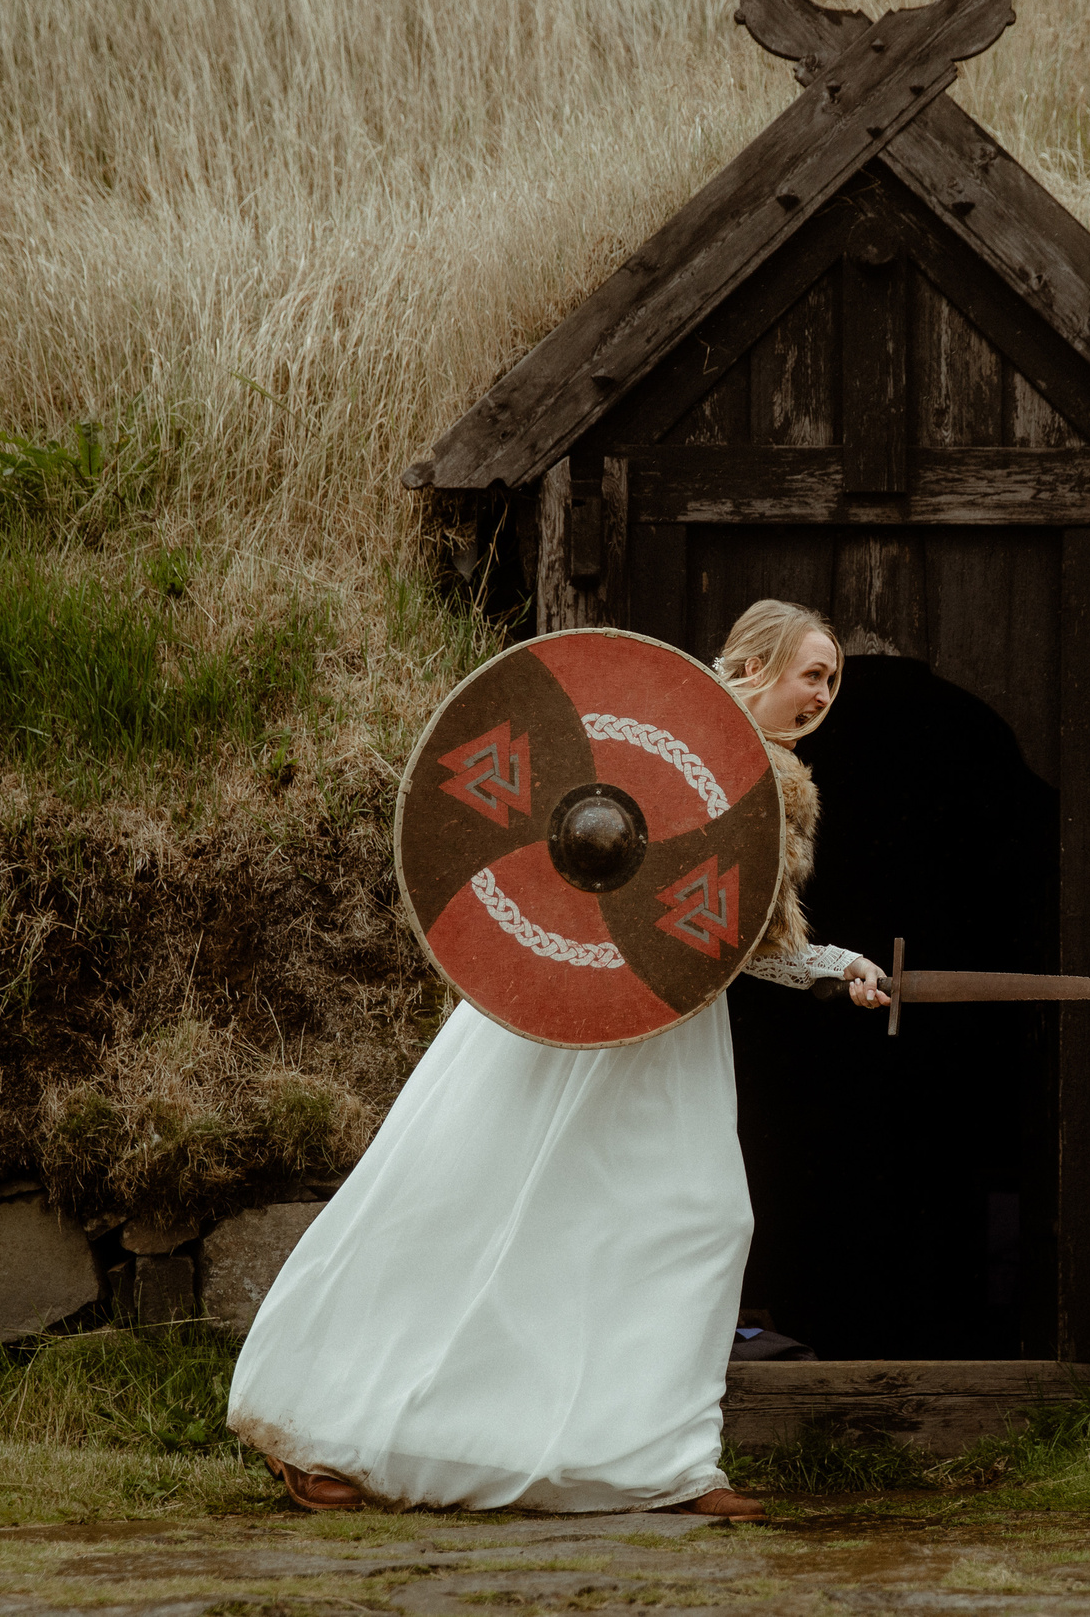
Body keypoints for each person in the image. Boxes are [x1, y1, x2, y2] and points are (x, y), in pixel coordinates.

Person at [227, 600, 889, 1518]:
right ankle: (317, 1424)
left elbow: (738, 941)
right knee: (455, 1199)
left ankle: (660, 1463)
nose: (824, 693)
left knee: (692, 1221)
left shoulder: (767, 788)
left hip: (667, 1029)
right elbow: (543, 857)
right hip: (557, 1007)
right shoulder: (663, 738)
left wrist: (837, 964)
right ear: (755, 663)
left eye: (834, 681)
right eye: (812, 672)